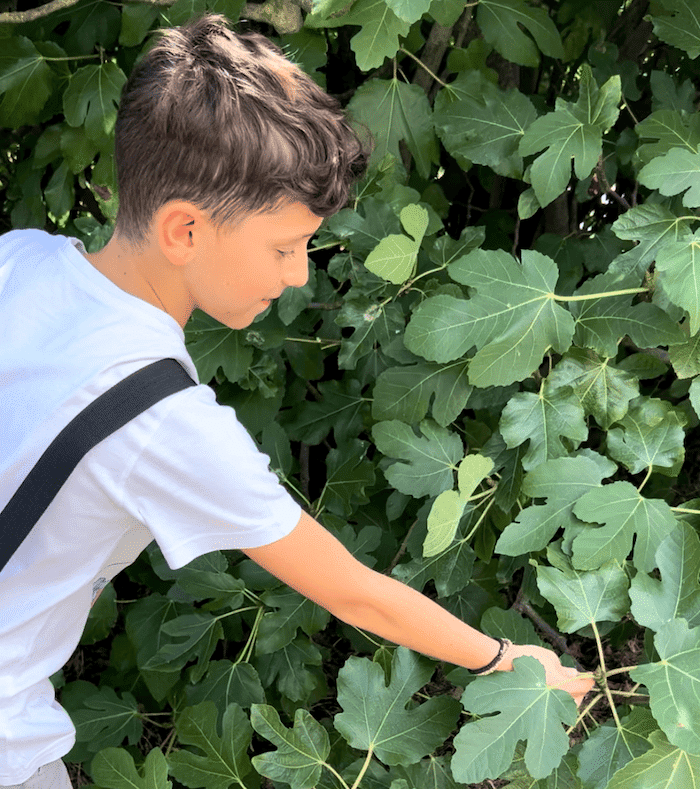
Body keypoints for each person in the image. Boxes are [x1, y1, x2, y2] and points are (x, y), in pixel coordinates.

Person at [0, 14, 594, 788]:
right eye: (283, 247)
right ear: (184, 229)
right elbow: (357, 594)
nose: (299, 275)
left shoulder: (21, 259)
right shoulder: (163, 420)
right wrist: (509, 658)